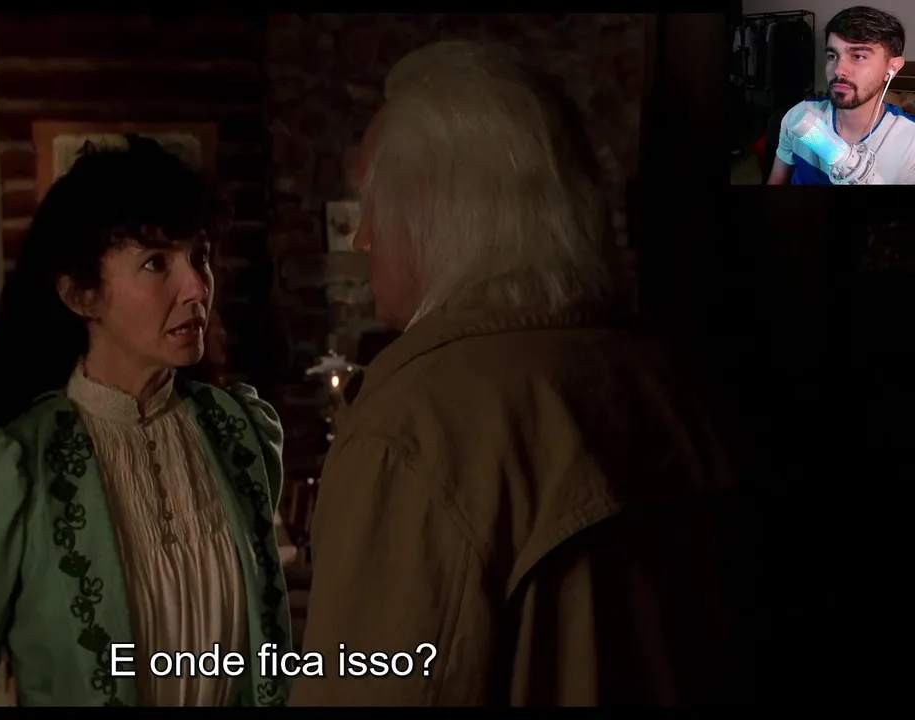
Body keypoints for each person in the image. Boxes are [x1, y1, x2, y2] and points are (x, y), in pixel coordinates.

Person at [289, 41, 744, 706]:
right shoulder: (669, 380)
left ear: (435, 212)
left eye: (371, 205)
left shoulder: (414, 429)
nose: (361, 239)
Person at [0, 136, 292, 707]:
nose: (197, 288)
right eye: (155, 262)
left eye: (199, 256)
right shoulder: (8, 470)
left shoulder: (237, 430)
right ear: (81, 295)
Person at [768, 6, 913, 184]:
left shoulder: (910, 142)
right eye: (832, 56)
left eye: (857, 56)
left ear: (892, 68)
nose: (838, 70)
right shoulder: (799, 116)